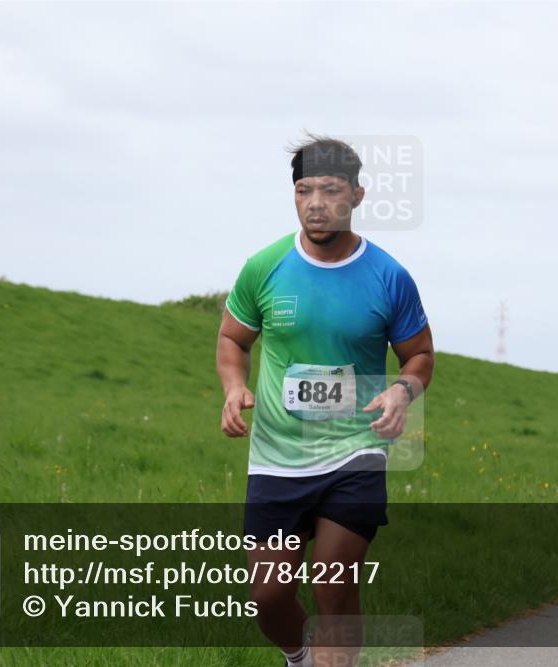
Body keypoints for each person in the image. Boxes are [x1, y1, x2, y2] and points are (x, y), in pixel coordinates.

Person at [215, 134, 434, 667]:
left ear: (357, 196)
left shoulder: (389, 277)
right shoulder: (264, 267)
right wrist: (234, 388)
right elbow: (231, 341)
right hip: (277, 456)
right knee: (268, 597)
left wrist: (403, 392)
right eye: (304, 190)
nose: (316, 202)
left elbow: (420, 354)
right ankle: (299, 657)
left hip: (354, 449)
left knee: (333, 584)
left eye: (331, 190)